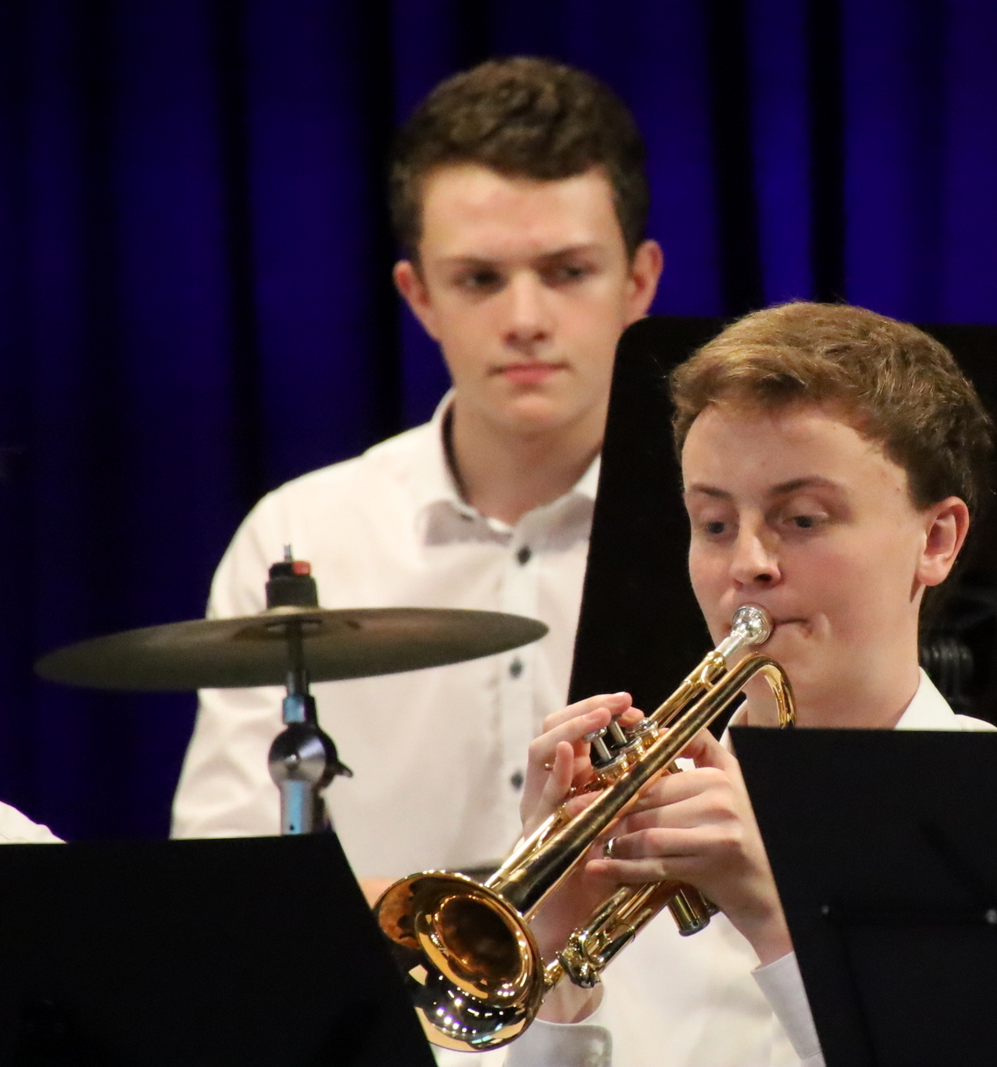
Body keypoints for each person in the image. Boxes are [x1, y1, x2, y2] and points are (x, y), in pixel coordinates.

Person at [171, 57, 662, 887]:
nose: (526, 319)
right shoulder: (300, 534)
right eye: (479, 279)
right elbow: (225, 875)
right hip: (396, 977)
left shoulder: (738, 533)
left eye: (568, 272)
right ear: (419, 294)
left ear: (639, 281)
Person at [506, 302, 997, 1067]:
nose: (748, 564)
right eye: (714, 523)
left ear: (935, 540)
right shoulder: (629, 823)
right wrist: (554, 976)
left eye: (802, 519)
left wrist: (779, 920)